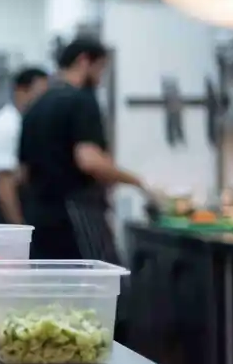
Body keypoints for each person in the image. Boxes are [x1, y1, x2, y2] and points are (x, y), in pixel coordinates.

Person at [18, 36, 147, 261]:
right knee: (100, 287)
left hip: (39, 218)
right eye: (100, 69)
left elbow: (23, 171)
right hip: (77, 215)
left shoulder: (37, 104)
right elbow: (89, 160)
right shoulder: (81, 100)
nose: (99, 78)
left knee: (52, 289)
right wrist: (138, 182)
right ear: (84, 61)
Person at [0, 67, 48, 224]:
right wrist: (19, 228)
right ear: (21, 91)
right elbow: (5, 184)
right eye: (40, 93)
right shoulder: (7, 126)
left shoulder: (25, 123)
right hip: (3, 216)